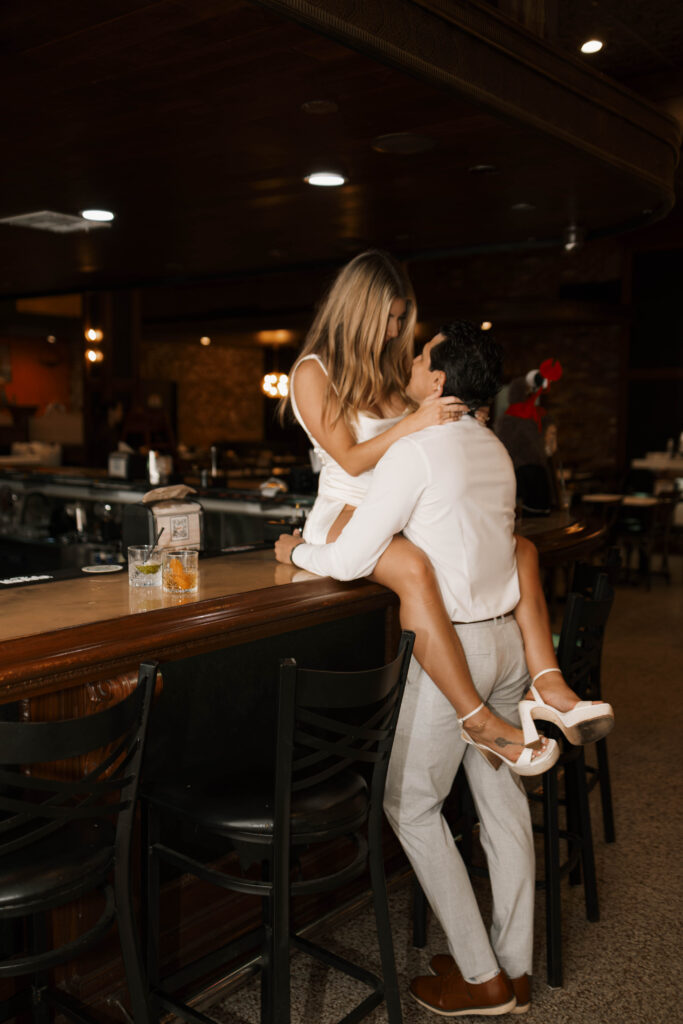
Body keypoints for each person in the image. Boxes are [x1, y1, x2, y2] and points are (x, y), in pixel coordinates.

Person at [277, 321, 555, 1014]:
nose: (407, 360)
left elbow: (347, 560)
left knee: (411, 804)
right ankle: (514, 965)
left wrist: (293, 554)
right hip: (504, 645)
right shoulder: (491, 445)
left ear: (436, 382)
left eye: (417, 355)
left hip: (449, 653)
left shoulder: (417, 451)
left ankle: (481, 978)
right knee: (500, 804)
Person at [282, 250, 609, 765]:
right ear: (359, 308)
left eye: (400, 320)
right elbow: (348, 458)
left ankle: (548, 682)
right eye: (389, 317)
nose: (395, 332)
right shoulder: (312, 372)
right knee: (413, 566)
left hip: (401, 510)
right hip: (346, 512)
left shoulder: (392, 371)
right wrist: (415, 423)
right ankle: (476, 718)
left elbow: (427, 443)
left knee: (519, 549)